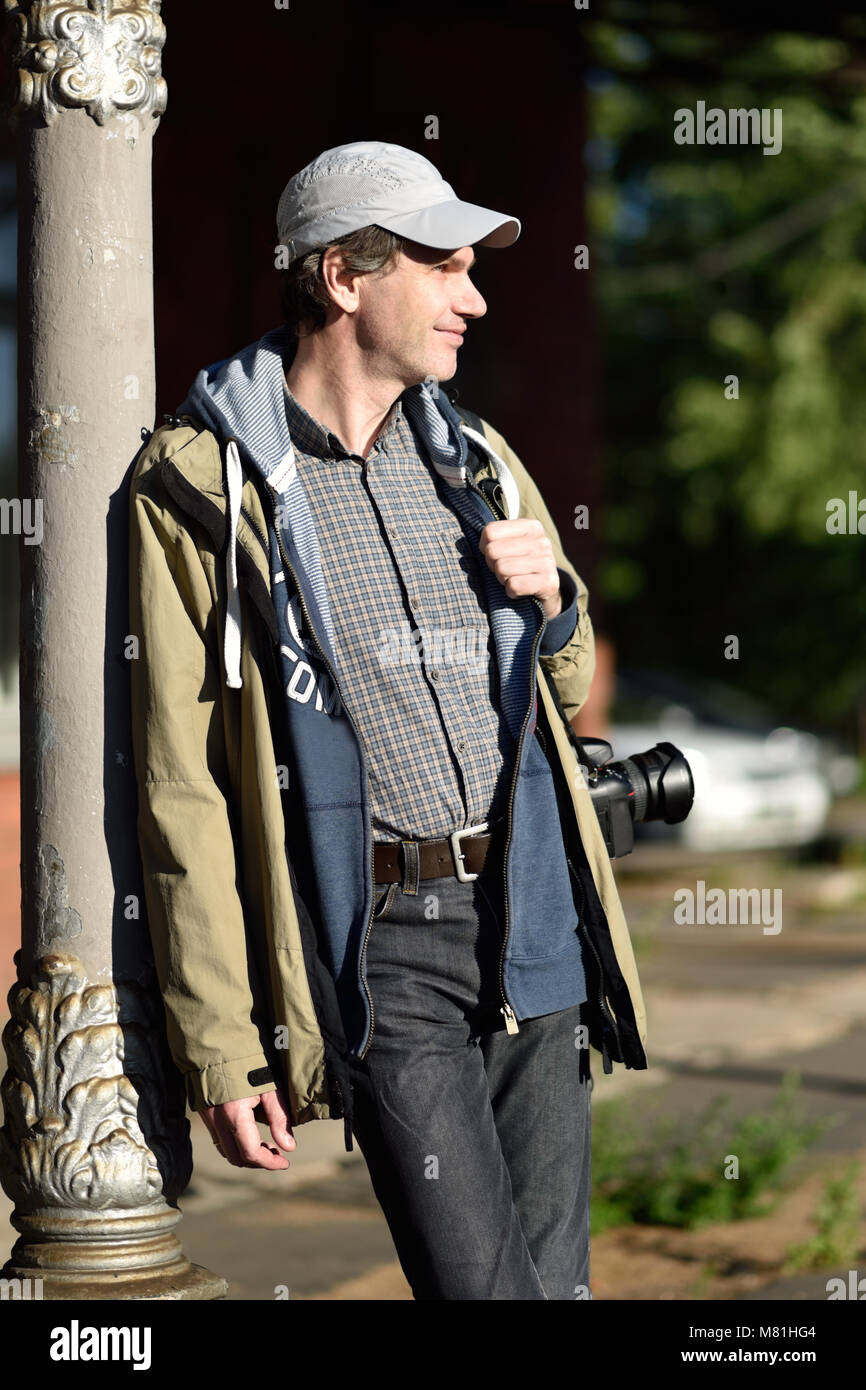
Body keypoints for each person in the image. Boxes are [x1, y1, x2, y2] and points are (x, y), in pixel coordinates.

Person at [128, 140, 648, 1300]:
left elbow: (559, 696)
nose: (472, 298)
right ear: (343, 277)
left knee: (555, 1288)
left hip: (533, 908)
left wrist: (554, 609)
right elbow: (182, 783)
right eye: (444, 264)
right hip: (383, 949)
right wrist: (220, 1041)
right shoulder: (197, 488)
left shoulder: (478, 462)